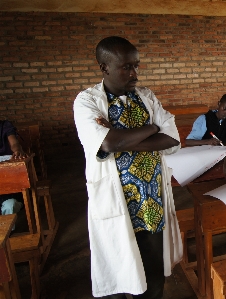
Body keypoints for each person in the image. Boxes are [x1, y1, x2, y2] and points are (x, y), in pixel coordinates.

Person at [73, 36, 183, 299]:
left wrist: (129, 137)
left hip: (151, 203)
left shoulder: (145, 96)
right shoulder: (87, 102)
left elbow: (171, 138)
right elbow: (109, 143)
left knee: (153, 271)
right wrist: (151, 128)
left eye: (136, 65)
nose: (135, 73)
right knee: (120, 270)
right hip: (117, 201)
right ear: (104, 68)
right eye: (126, 67)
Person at [0, 120, 26, 222]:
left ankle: (8, 234)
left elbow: (14, 143)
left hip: (9, 177)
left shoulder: (5, 126)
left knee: (10, 205)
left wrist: (17, 150)